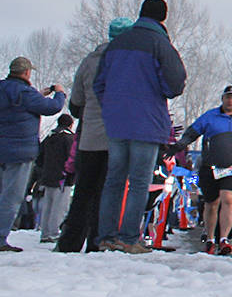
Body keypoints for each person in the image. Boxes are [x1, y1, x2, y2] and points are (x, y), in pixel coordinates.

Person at [95, 0, 187, 254]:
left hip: (116, 123)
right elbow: (175, 83)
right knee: (138, 182)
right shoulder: (160, 44)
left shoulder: (116, 44)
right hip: (146, 122)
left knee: (114, 180)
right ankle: (129, 238)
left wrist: (111, 107)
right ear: (163, 17)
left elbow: (98, 83)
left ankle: (106, 237)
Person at [57, 17, 135, 253]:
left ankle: (69, 242)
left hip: (90, 137)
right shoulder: (130, 63)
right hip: (118, 138)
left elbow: (76, 101)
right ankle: (97, 242)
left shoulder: (89, 61)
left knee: (83, 191)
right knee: (108, 191)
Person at [173, 85, 232, 255]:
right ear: (222, 98)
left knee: (228, 198)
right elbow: (193, 131)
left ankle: (224, 239)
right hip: (211, 165)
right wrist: (182, 143)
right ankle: (211, 238)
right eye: (227, 97)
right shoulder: (210, 116)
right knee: (212, 203)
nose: (230, 100)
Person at [0, 56, 66, 252]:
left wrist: (38, 94)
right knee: (11, 197)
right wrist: (59, 93)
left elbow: (15, 106)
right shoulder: (26, 93)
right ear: (27, 73)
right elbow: (52, 108)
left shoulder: (5, 89)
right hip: (19, 153)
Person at [36, 114, 76, 243]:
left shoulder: (49, 137)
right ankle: (54, 232)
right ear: (70, 124)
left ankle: (45, 232)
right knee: (59, 207)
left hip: (48, 176)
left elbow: (39, 158)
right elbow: (72, 157)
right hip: (63, 178)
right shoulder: (69, 138)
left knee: (48, 205)